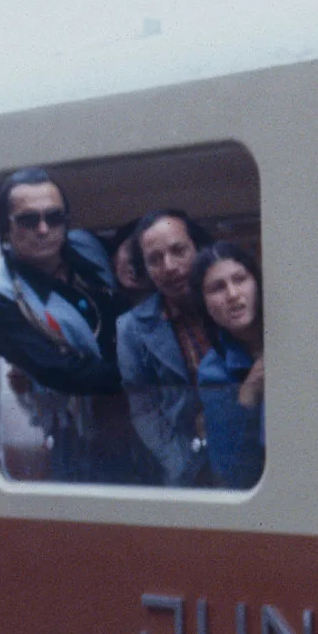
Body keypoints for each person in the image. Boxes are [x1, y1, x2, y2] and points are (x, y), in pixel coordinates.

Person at [0, 167, 130, 482]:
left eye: (54, 217)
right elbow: (60, 371)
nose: (44, 229)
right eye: (29, 220)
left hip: (146, 416)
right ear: (5, 230)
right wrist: (143, 375)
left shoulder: (88, 246)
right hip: (80, 438)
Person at [116, 208, 215, 487]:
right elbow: (144, 410)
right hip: (187, 467)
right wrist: (184, 465)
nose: (169, 267)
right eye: (154, 260)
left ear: (199, 248)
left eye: (178, 251)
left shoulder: (231, 301)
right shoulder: (131, 328)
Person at [191, 242, 265, 489]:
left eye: (240, 279)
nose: (233, 294)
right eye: (217, 288)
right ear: (204, 305)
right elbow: (230, 471)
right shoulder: (212, 371)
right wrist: (248, 394)